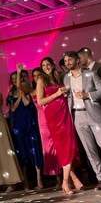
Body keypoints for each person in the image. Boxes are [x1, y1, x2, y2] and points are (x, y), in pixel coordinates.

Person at [63, 51, 101, 190]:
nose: (67, 63)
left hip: (94, 115)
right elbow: (69, 96)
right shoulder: (66, 78)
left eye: (69, 60)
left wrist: (87, 95)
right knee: (90, 150)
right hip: (78, 116)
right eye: (65, 61)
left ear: (77, 60)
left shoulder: (90, 73)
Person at [36, 57, 82, 195]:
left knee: (69, 146)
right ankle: (65, 182)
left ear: (52, 65)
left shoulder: (57, 76)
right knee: (64, 147)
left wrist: (64, 93)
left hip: (64, 113)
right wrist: (57, 94)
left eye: (48, 64)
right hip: (53, 116)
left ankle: (74, 179)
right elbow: (40, 101)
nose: (46, 67)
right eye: (43, 65)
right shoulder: (41, 80)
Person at [6, 66, 43, 190]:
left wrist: (23, 93)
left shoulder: (29, 91)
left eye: (18, 77)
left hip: (30, 123)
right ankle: (26, 182)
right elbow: (13, 108)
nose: (16, 80)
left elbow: (27, 103)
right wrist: (19, 95)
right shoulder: (11, 94)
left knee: (35, 150)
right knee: (22, 153)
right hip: (19, 125)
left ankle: (39, 180)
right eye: (14, 78)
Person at [31, 68, 60, 187]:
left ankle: (65, 176)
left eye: (39, 74)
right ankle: (57, 177)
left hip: (52, 115)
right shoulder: (32, 91)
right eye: (34, 76)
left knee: (58, 145)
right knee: (49, 148)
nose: (37, 77)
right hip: (42, 120)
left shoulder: (48, 86)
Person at [78, 47, 101, 130]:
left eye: (80, 58)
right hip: (96, 108)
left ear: (86, 56)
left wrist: (88, 95)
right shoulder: (84, 71)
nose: (78, 61)